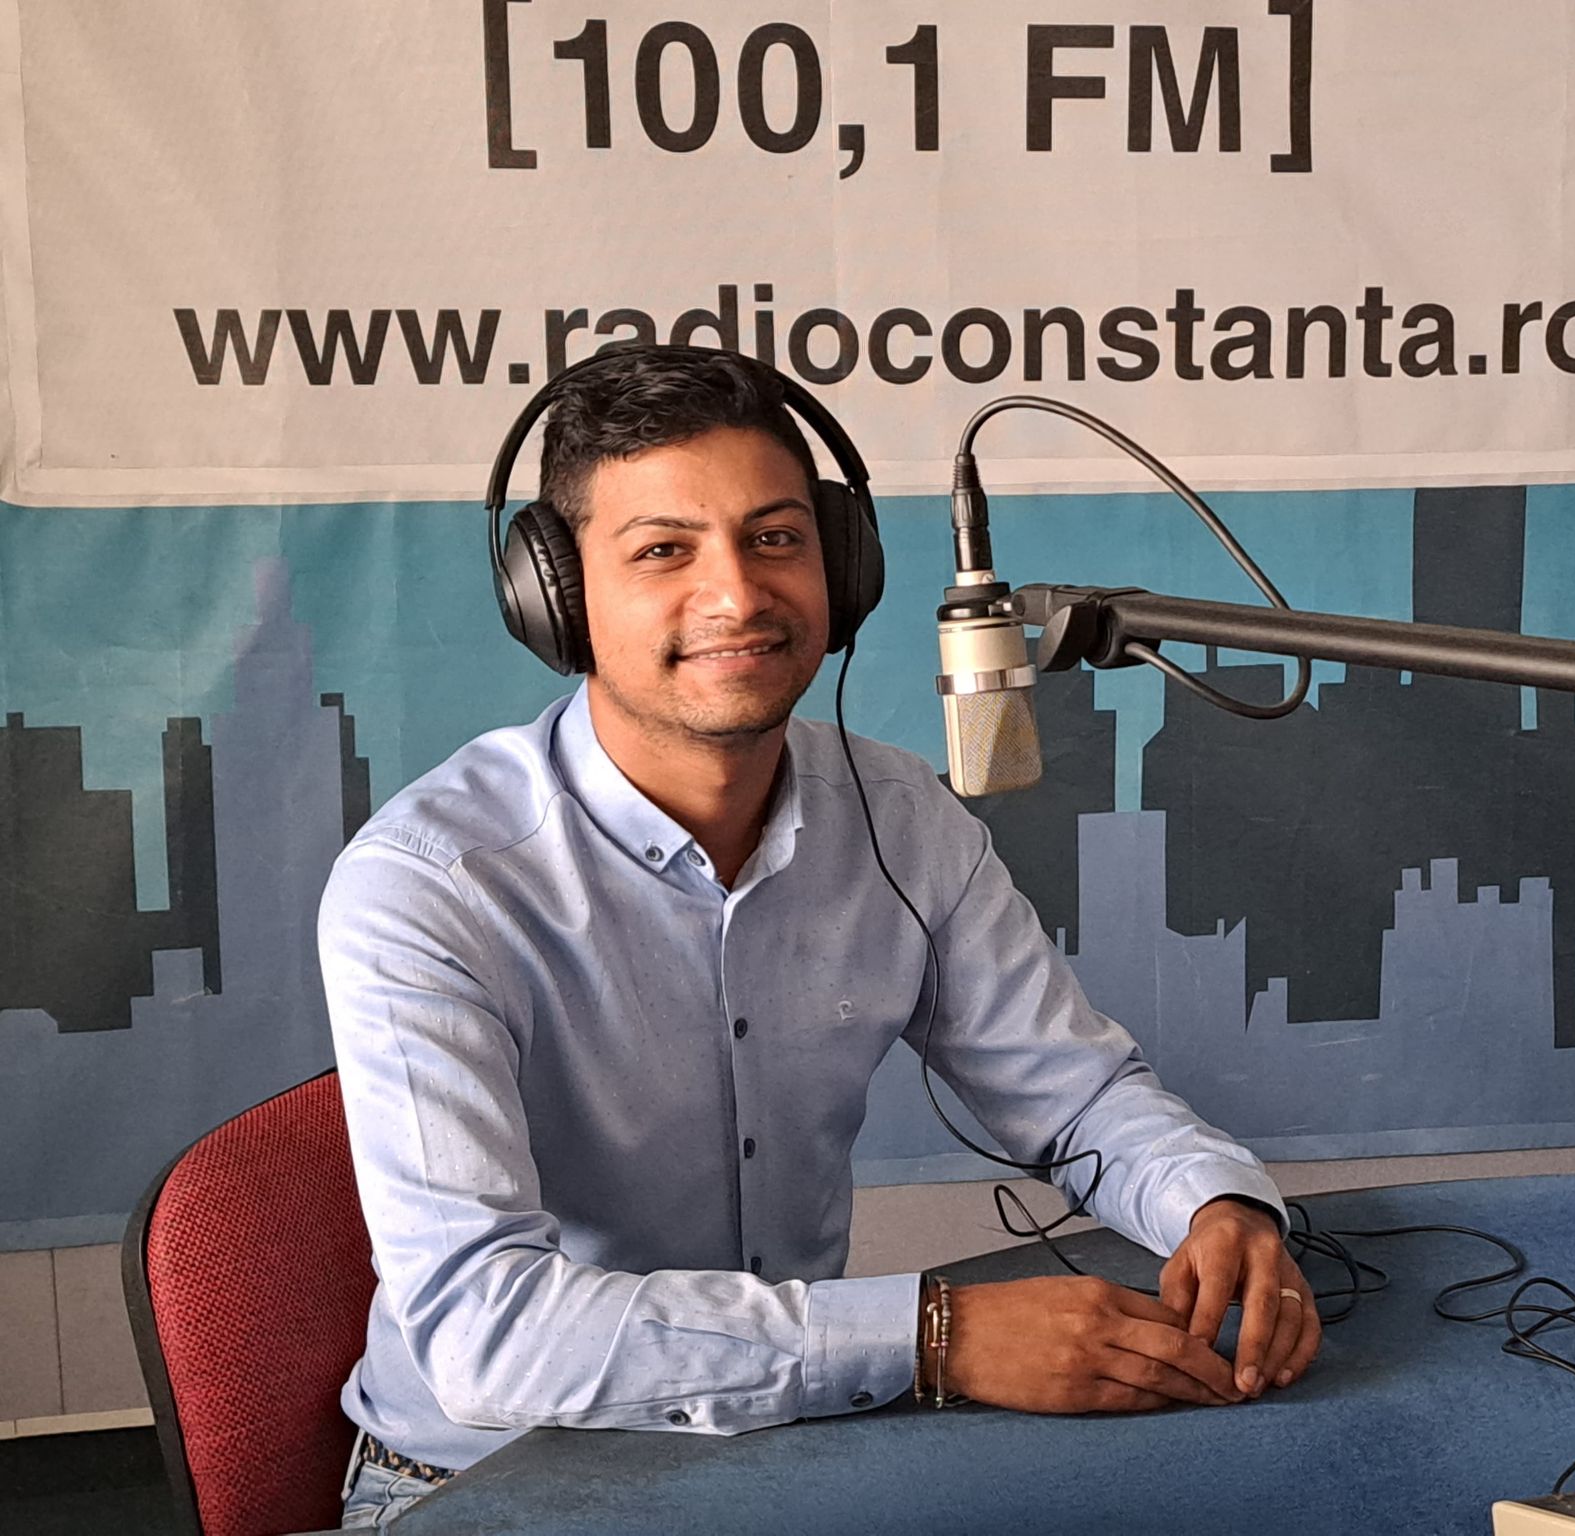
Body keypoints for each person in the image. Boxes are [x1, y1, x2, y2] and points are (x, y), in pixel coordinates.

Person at [321, 348, 1319, 1527]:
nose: (738, 594)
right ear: (556, 596)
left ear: (841, 566)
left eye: (776, 538)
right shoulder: (430, 885)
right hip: (480, 1482)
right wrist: (934, 1337)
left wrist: (1215, 1205)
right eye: (664, 550)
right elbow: (483, 1333)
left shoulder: (897, 818)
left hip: (782, 1451)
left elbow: (1075, 1098)